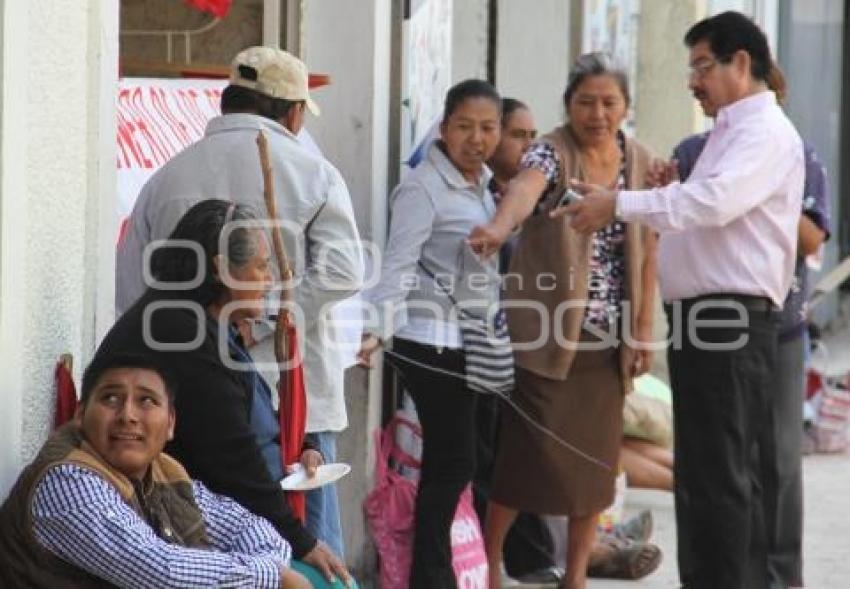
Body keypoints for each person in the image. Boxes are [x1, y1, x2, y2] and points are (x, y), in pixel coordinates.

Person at [552, 12, 805, 589]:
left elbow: (711, 204)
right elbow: (700, 209)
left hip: (731, 318)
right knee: (710, 474)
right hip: (707, 317)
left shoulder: (763, 132)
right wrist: (661, 193)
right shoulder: (728, 132)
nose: (693, 81)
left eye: (702, 67)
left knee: (723, 478)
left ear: (741, 63)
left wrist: (619, 205)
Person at [115, 46, 364, 560]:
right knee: (308, 548)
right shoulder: (314, 172)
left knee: (209, 539)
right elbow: (345, 270)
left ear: (227, 102)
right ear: (293, 112)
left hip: (186, 396)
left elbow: (132, 288)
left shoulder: (167, 177)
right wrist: (264, 312)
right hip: (293, 392)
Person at [467, 52, 660, 589]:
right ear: (568, 105)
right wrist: (500, 227)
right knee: (524, 460)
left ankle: (575, 577)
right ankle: (490, 564)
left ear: (625, 106)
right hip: (547, 337)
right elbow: (526, 188)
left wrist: (643, 328)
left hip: (606, 342)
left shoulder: (641, 162)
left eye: (609, 102)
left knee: (593, 471)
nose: (597, 113)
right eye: (585, 102)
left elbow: (648, 253)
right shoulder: (552, 151)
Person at [97, 200, 353, 587]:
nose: (269, 280)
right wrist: (301, 543)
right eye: (261, 267)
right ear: (221, 269)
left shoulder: (208, 324)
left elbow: (249, 416)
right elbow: (233, 461)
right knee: (330, 582)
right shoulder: (181, 334)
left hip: (228, 511)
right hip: (185, 521)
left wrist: (303, 445)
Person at [670, 63, 829, 588]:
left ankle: (781, 576)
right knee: (716, 463)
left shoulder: (794, 151)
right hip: (707, 326)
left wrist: (760, 194)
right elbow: (678, 217)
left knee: (777, 460)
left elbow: (812, 240)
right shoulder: (693, 152)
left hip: (778, 326)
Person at [358, 79, 503, 588]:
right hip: (428, 339)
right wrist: (377, 329)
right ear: (444, 127)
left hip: (466, 340)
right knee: (453, 460)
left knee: (456, 460)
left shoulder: (485, 184)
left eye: (487, 128)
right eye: (465, 126)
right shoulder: (424, 187)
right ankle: (430, 576)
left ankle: (434, 571)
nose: (476, 138)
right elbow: (397, 262)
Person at [0, 353, 310, 589]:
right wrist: (272, 576)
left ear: (171, 422)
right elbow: (161, 571)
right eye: (110, 398)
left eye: (146, 400)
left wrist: (271, 568)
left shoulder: (161, 469)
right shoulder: (67, 481)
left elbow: (241, 524)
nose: (128, 416)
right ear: (81, 414)